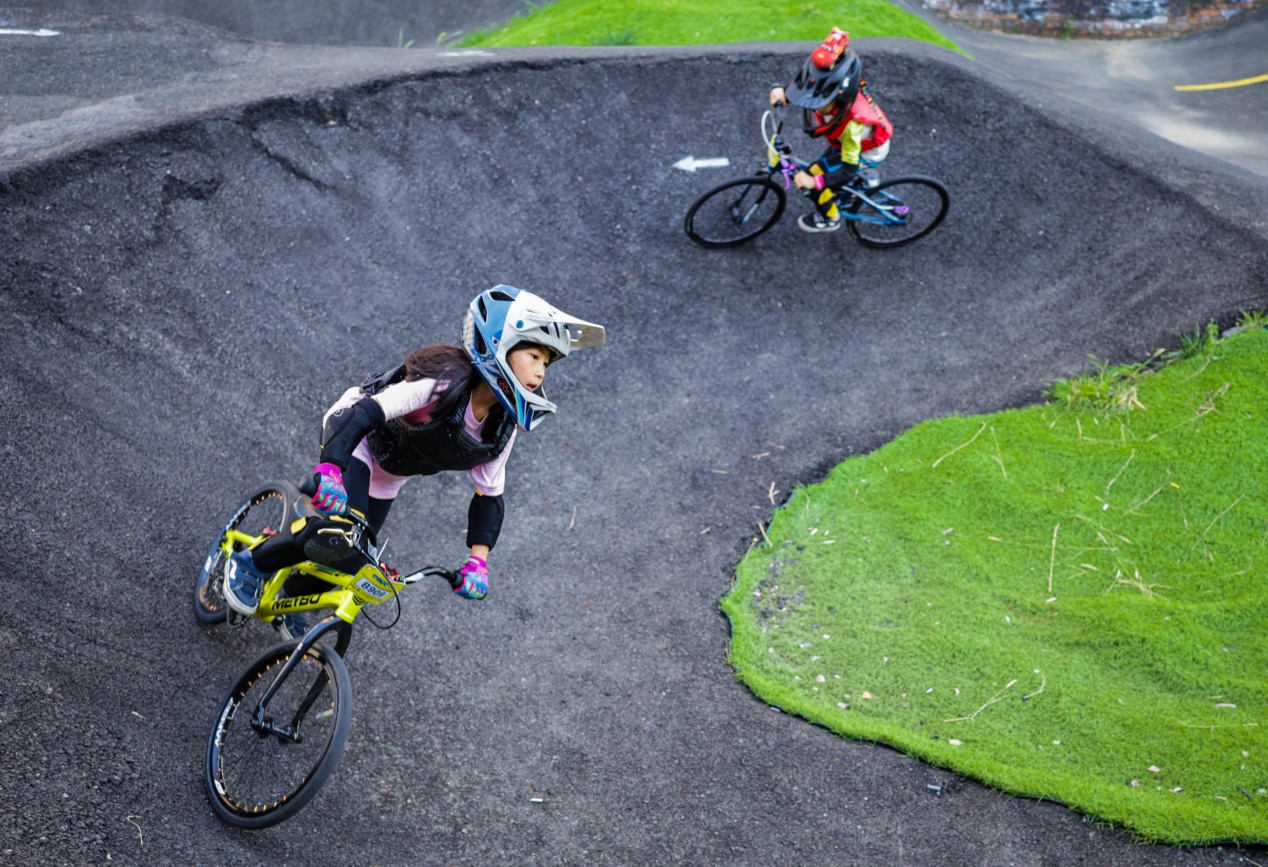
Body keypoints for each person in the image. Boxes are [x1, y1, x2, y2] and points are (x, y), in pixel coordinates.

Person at [222, 285, 606, 638]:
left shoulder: (502, 429)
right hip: (358, 442)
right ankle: (249, 562)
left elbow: (489, 495)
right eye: (534, 355)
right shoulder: (443, 383)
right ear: (499, 345)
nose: (540, 371)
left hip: (389, 475)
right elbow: (365, 413)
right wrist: (330, 470)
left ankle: (291, 598)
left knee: (354, 560)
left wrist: (478, 562)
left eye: (547, 363)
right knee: (336, 534)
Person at [769, 27, 894, 234]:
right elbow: (810, 87)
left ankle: (830, 218)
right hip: (851, 144)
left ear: (841, 97)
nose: (814, 107)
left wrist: (814, 182)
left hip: (865, 152)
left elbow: (848, 168)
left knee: (814, 181)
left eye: (820, 102)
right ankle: (852, 187)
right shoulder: (838, 94)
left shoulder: (852, 128)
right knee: (822, 167)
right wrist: (785, 92)